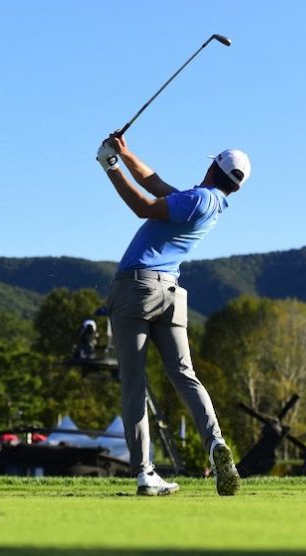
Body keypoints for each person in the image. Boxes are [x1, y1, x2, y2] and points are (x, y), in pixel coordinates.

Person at [96, 132, 249, 496]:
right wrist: (126, 153)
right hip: (171, 293)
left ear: (213, 167)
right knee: (184, 375)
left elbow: (145, 206)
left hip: (137, 289)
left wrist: (110, 167)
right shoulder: (208, 203)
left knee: (134, 384)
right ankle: (215, 445)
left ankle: (145, 473)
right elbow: (156, 183)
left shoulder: (197, 199)